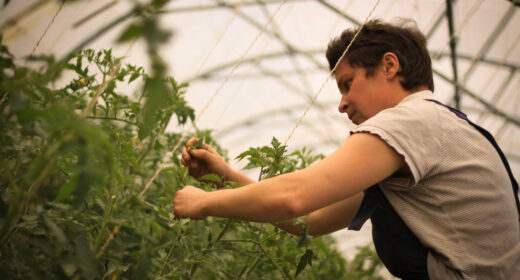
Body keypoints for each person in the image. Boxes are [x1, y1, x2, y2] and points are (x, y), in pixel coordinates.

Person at [173, 19, 520, 279]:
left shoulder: (412, 120)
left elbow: (294, 197)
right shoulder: (434, 129)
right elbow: (309, 221)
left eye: (347, 84)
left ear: (389, 65)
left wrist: (203, 204)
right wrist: (227, 176)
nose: (342, 104)